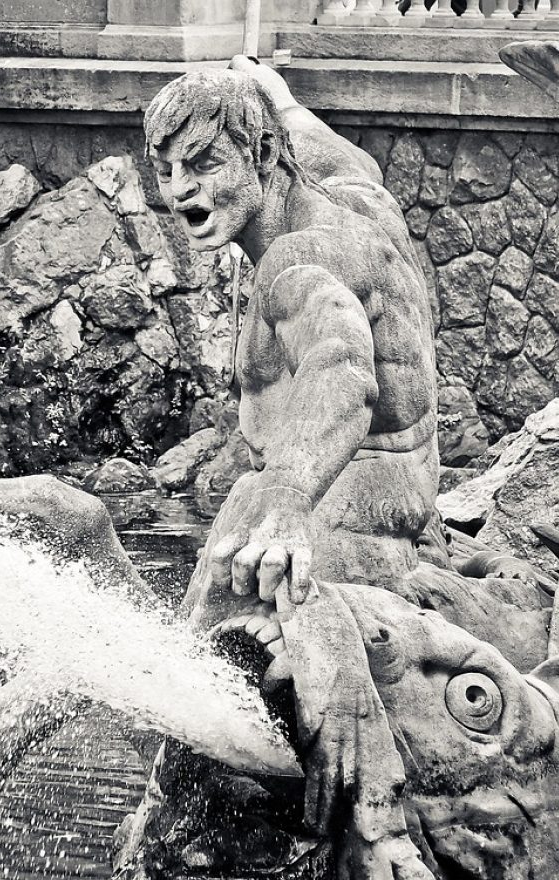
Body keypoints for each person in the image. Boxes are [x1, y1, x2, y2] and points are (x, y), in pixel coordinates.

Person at [144, 58, 440, 631]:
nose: (182, 190)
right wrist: (271, 90)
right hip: (410, 489)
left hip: (347, 512)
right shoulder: (352, 189)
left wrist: (285, 493)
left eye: (205, 164)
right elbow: (302, 128)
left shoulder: (295, 262)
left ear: (260, 154)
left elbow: (343, 368)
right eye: (165, 170)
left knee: (193, 659)